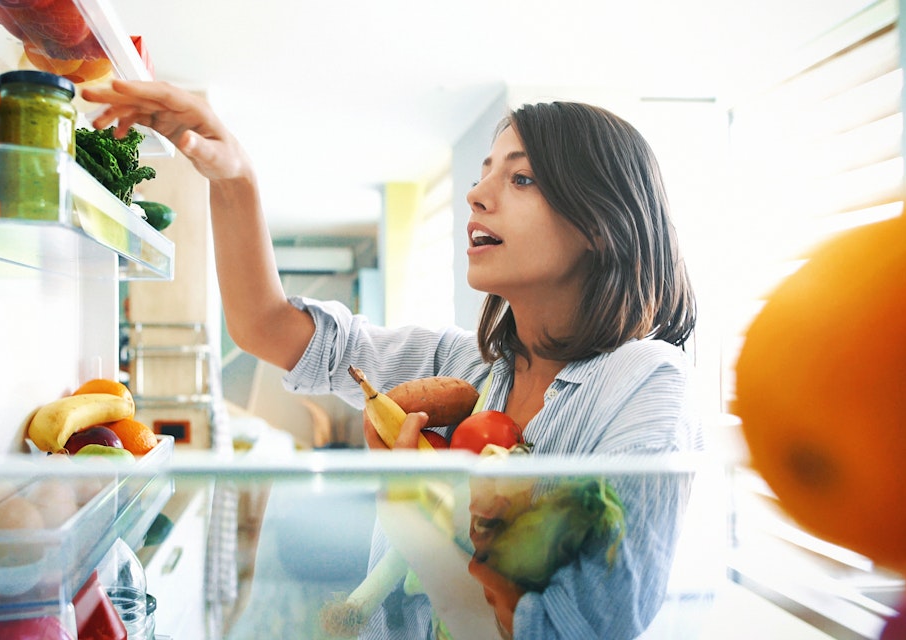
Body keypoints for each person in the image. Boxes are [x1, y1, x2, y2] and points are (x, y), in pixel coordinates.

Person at [82, 80, 701, 639]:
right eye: (485, 171)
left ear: (600, 221)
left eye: (521, 178)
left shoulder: (645, 383)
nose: (477, 193)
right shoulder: (463, 366)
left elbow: (571, 632)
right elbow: (265, 326)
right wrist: (232, 174)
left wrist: (410, 512)